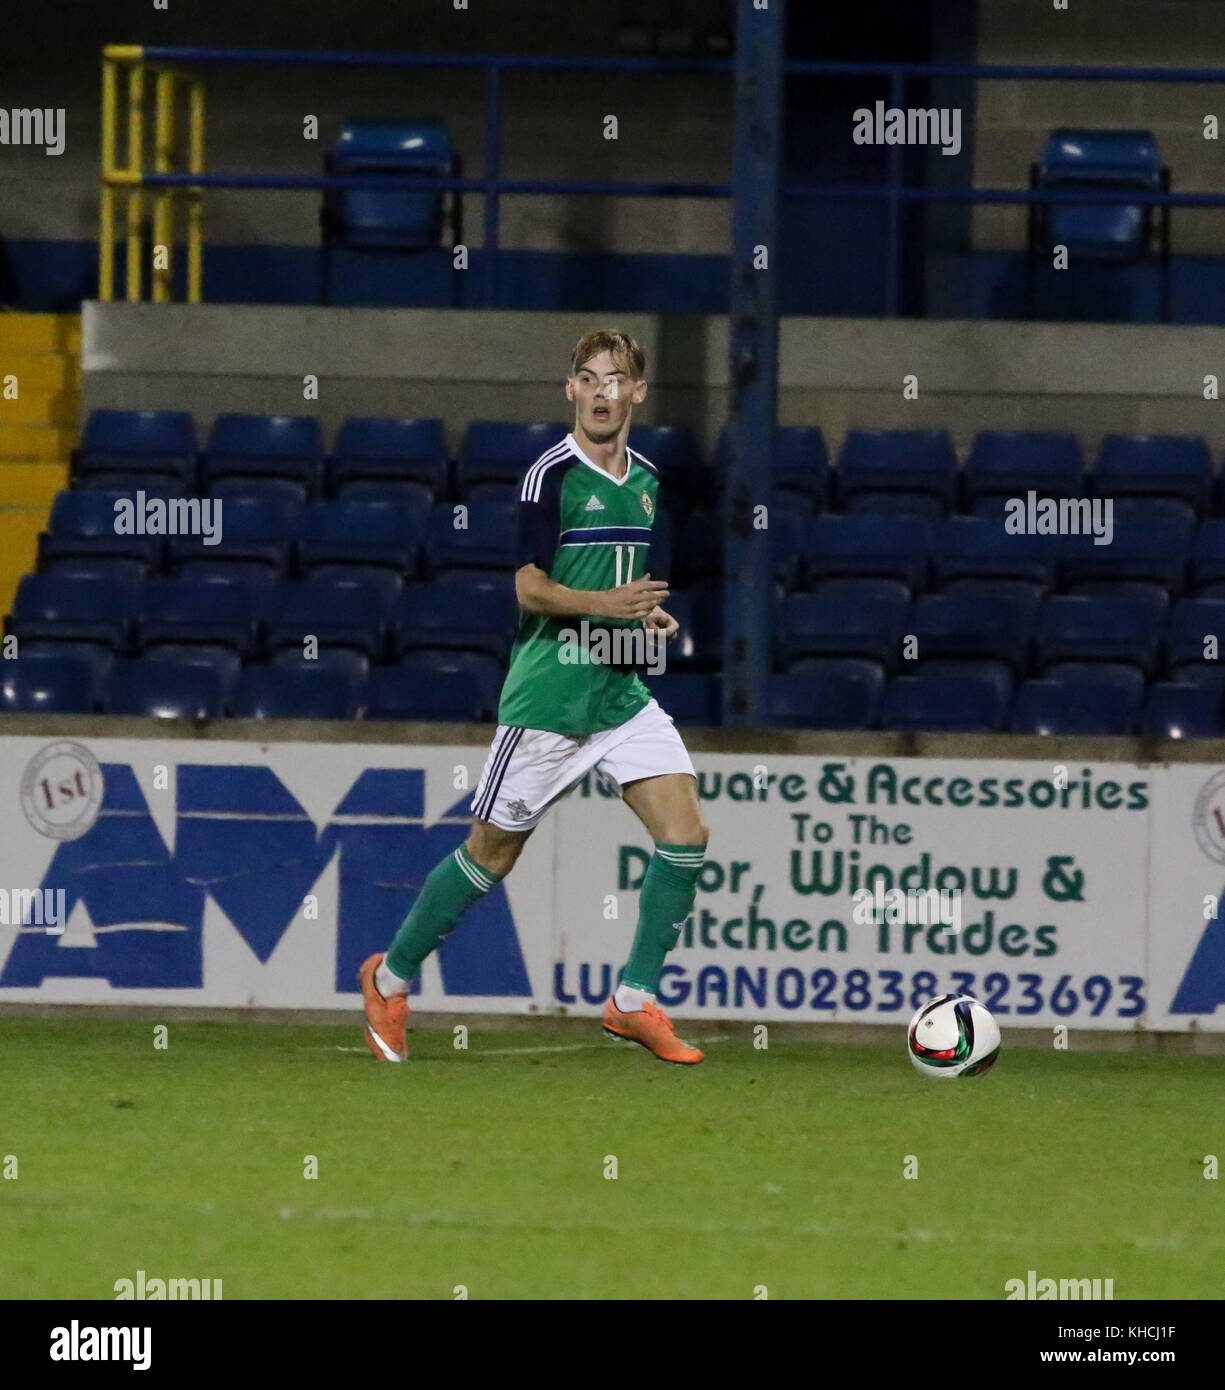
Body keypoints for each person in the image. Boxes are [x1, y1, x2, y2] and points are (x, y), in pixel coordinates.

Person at [359, 328, 709, 1064]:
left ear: (637, 393)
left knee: (685, 837)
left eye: (616, 379)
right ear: (571, 391)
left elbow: (640, 588)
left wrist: (648, 614)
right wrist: (604, 604)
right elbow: (528, 587)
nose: (602, 392)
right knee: (489, 857)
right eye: (588, 378)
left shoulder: (647, 482)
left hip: (619, 692)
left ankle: (632, 1001)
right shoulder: (549, 475)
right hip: (549, 698)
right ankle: (388, 979)